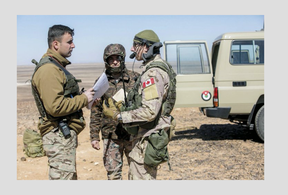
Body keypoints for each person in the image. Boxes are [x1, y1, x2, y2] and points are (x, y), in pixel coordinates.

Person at [102, 29, 177, 180]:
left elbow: (149, 111)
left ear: (146, 47)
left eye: (135, 45)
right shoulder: (159, 67)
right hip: (149, 137)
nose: (131, 49)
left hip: (147, 139)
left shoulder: (153, 73)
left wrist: (119, 116)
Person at [31, 24, 95, 180]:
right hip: (58, 135)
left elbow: (63, 97)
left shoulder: (56, 66)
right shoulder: (49, 69)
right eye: (69, 42)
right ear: (55, 44)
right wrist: (83, 99)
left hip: (61, 135)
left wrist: (83, 98)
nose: (73, 46)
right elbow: (55, 107)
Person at [90, 43, 140, 180]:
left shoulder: (135, 79)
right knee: (113, 175)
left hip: (133, 135)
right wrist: (94, 136)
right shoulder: (101, 82)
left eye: (117, 58)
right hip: (111, 135)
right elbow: (96, 110)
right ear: (106, 61)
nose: (115, 61)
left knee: (137, 173)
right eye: (111, 59)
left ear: (123, 59)